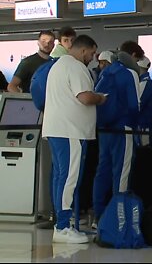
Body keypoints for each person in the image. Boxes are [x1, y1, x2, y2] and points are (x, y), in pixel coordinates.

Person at [42, 34, 106, 244]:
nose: (93, 58)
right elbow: (85, 97)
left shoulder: (59, 65)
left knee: (61, 178)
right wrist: (101, 98)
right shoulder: (77, 67)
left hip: (57, 130)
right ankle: (62, 227)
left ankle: (61, 224)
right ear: (83, 50)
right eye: (92, 53)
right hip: (71, 132)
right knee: (69, 179)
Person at [92, 41, 143, 228]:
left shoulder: (105, 72)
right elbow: (134, 106)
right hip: (123, 129)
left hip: (104, 130)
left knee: (102, 171)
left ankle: (99, 217)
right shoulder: (129, 74)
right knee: (121, 174)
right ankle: (117, 221)